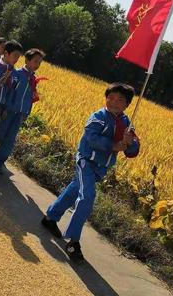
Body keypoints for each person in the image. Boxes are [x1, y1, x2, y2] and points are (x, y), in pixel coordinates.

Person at [41, 83, 141, 262]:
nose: (114, 102)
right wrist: (113, 145)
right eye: (110, 97)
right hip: (86, 161)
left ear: (127, 104)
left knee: (74, 190)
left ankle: (50, 217)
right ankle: (73, 240)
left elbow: (132, 151)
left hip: (101, 167)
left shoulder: (127, 124)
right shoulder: (98, 116)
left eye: (120, 100)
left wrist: (130, 141)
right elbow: (91, 137)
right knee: (87, 197)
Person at [0, 48, 45, 174]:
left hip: (20, 114)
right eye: (35, 61)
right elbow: (9, 92)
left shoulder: (33, 80)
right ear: (27, 60)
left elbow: (30, 98)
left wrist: (27, 112)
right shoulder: (16, 74)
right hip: (9, 111)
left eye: (39, 63)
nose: (37, 65)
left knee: (10, 140)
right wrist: (4, 108)